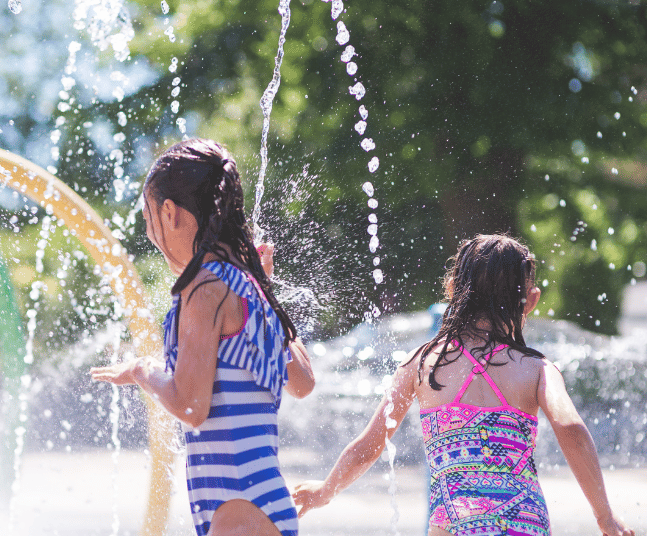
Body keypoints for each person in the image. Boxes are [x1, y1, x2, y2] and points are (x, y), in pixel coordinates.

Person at [292, 234, 634, 536]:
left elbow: (369, 444)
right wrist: (604, 516)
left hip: (453, 520)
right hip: (523, 519)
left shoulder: (421, 363)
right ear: (531, 300)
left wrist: (325, 491)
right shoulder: (537, 368)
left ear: (452, 290)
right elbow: (571, 428)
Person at [90, 138, 315, 536]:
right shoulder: (248, 287)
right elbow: (302, 381)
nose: (149, 232)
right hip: (254, 496)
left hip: (236, 503)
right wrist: (266, 284)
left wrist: (142, 370)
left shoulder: (204, 289)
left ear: (169, 213)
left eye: (148, 218)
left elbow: (191, 405)